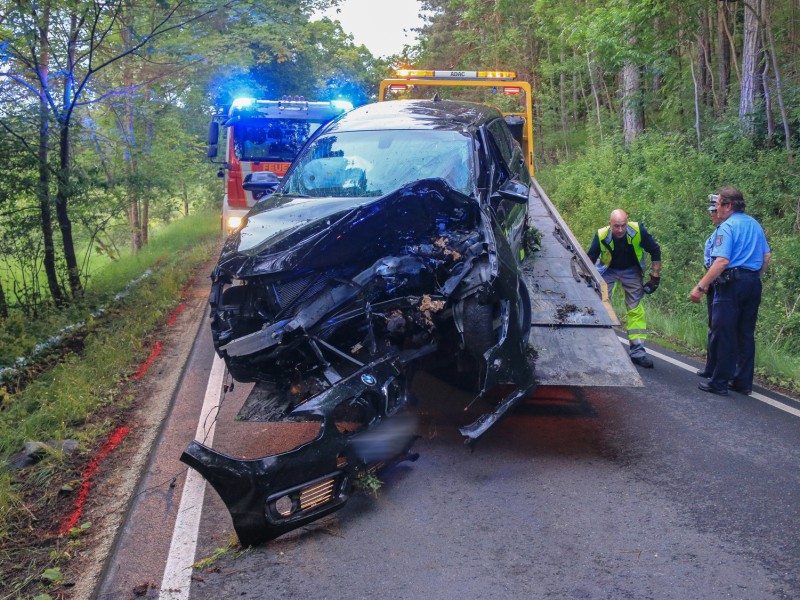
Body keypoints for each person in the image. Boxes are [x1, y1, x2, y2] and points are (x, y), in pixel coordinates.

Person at [690, 187, 771, 396]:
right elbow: (766, 257)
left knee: (724, 332)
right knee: (745, 334)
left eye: (718, 205)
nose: (716, 208)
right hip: (753, 283)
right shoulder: (754, 224)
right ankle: (742, 382)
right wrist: (753, 276)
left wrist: (701, 286)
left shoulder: (728, 227)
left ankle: (719, 382)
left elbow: (722, 261)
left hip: (731, 285)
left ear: (728, 206)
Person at [587, 209, 662, 368]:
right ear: (610, 224)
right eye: (616, 226)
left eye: (623, 225)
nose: (620, 230)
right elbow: (589, 259)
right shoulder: (601, 235)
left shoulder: (637, 230)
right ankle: (601, 347)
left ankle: (638, 352)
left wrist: (655, 276)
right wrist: (586, 279)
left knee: (635, 310)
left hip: (631, 271)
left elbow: (655, 250)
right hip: (608, 271)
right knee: (602, 305)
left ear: (627, 222)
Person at [696, 196, 724, 378]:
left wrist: (704, 284)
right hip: (713, 282)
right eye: (711, 211)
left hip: (721, 282)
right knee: (713, 325)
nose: (711, 214)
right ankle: (711, 365)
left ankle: (716, 368)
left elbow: (720, 261)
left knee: (719, 326)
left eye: (714, 210)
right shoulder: (718, 232)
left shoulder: (726, 232)